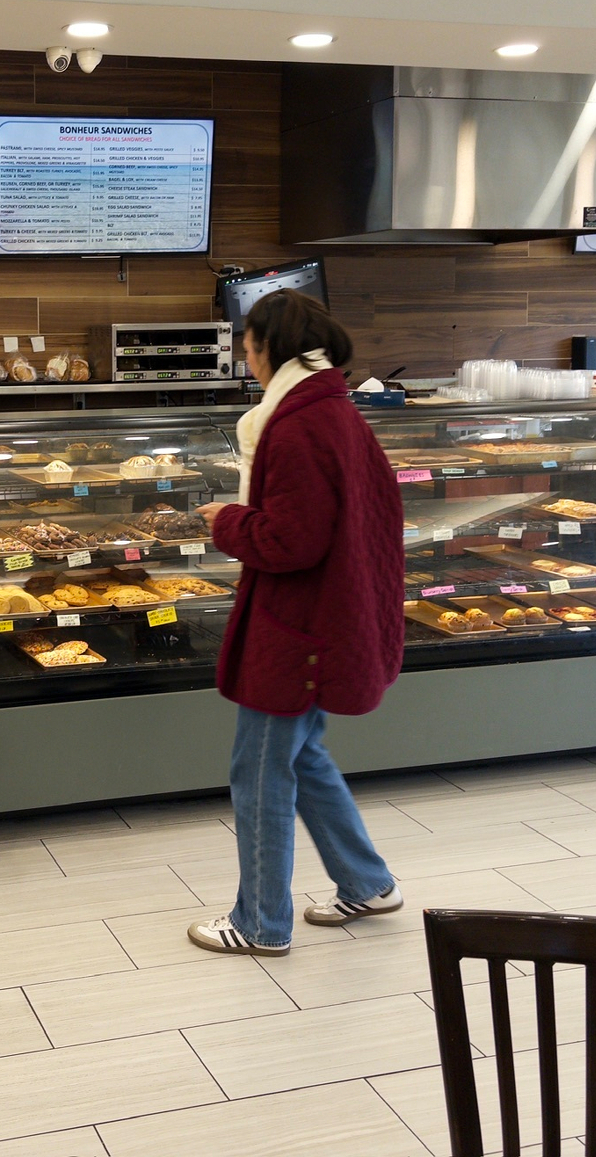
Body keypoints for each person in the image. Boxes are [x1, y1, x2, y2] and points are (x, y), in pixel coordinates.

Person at [185, 290, 406, 956]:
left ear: (267, 348)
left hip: (296, 630)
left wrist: (224, 520)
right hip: (326, 617)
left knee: (258, 770)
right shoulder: (329, 407)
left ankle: (259, 923)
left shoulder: (296, 424)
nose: (245, 361)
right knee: (300, 754)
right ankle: (367, 883)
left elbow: (291, 541)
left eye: (247, 348)